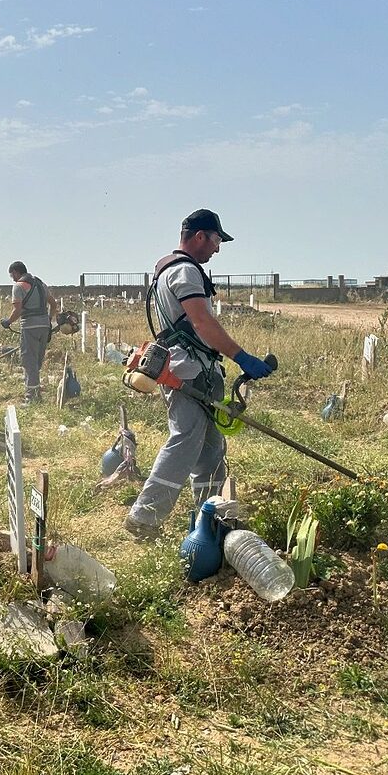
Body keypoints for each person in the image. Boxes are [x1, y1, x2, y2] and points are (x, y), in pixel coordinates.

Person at [124, 209, 275, 540]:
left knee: (210, 448)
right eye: (217, 240)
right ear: (199, 236)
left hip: (197, 367)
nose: (218, 249)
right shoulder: (186, 273)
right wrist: (241, 356)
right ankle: (144, 516)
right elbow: (202, 322)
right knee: (185, 439)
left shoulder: (170, 271)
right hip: (188, 370)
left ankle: (211, 515)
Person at [1, 261, 59, 403]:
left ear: (16, 272)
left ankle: (31, 398)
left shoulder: (18, 286)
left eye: (12, 275)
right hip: (44, 327)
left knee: (29, 361)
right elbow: (54, 304)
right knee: (36, 361)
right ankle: (36, 392)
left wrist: (8, 322)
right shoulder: (41, 284)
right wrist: (49, 320)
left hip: (29, 327)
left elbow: (18, 310)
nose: (13, 279)